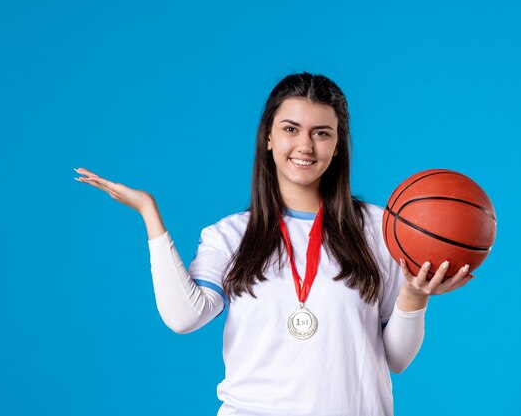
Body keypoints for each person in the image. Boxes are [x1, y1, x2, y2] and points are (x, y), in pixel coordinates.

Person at [74, 72, 474, 416]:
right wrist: (148, 212)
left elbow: (397, 360)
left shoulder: (380, 229)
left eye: (322, 133)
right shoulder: (230, 236)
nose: (305, 146)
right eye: (290, 129)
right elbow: (184, 317)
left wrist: (415, 296)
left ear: (337, 146)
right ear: (267, 138)